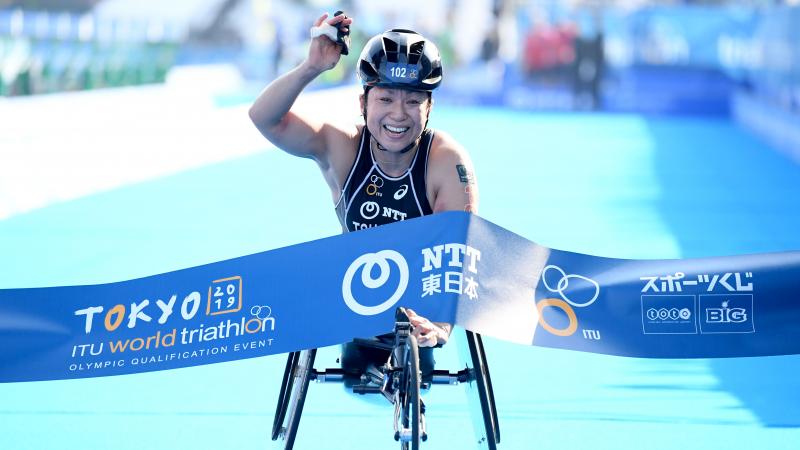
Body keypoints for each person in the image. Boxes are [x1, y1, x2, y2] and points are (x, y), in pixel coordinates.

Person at [248, 12, 479, 379]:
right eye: (385, 99)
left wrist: (440, 327)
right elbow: (265, 118)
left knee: (417, 353)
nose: (398, 115)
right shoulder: (343, 147)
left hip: (420, 311)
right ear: (363, 104)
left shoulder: (446, 161)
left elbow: (457, 256)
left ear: (429, 107)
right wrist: (311, 67)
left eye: (413, 101)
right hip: (353, 303)